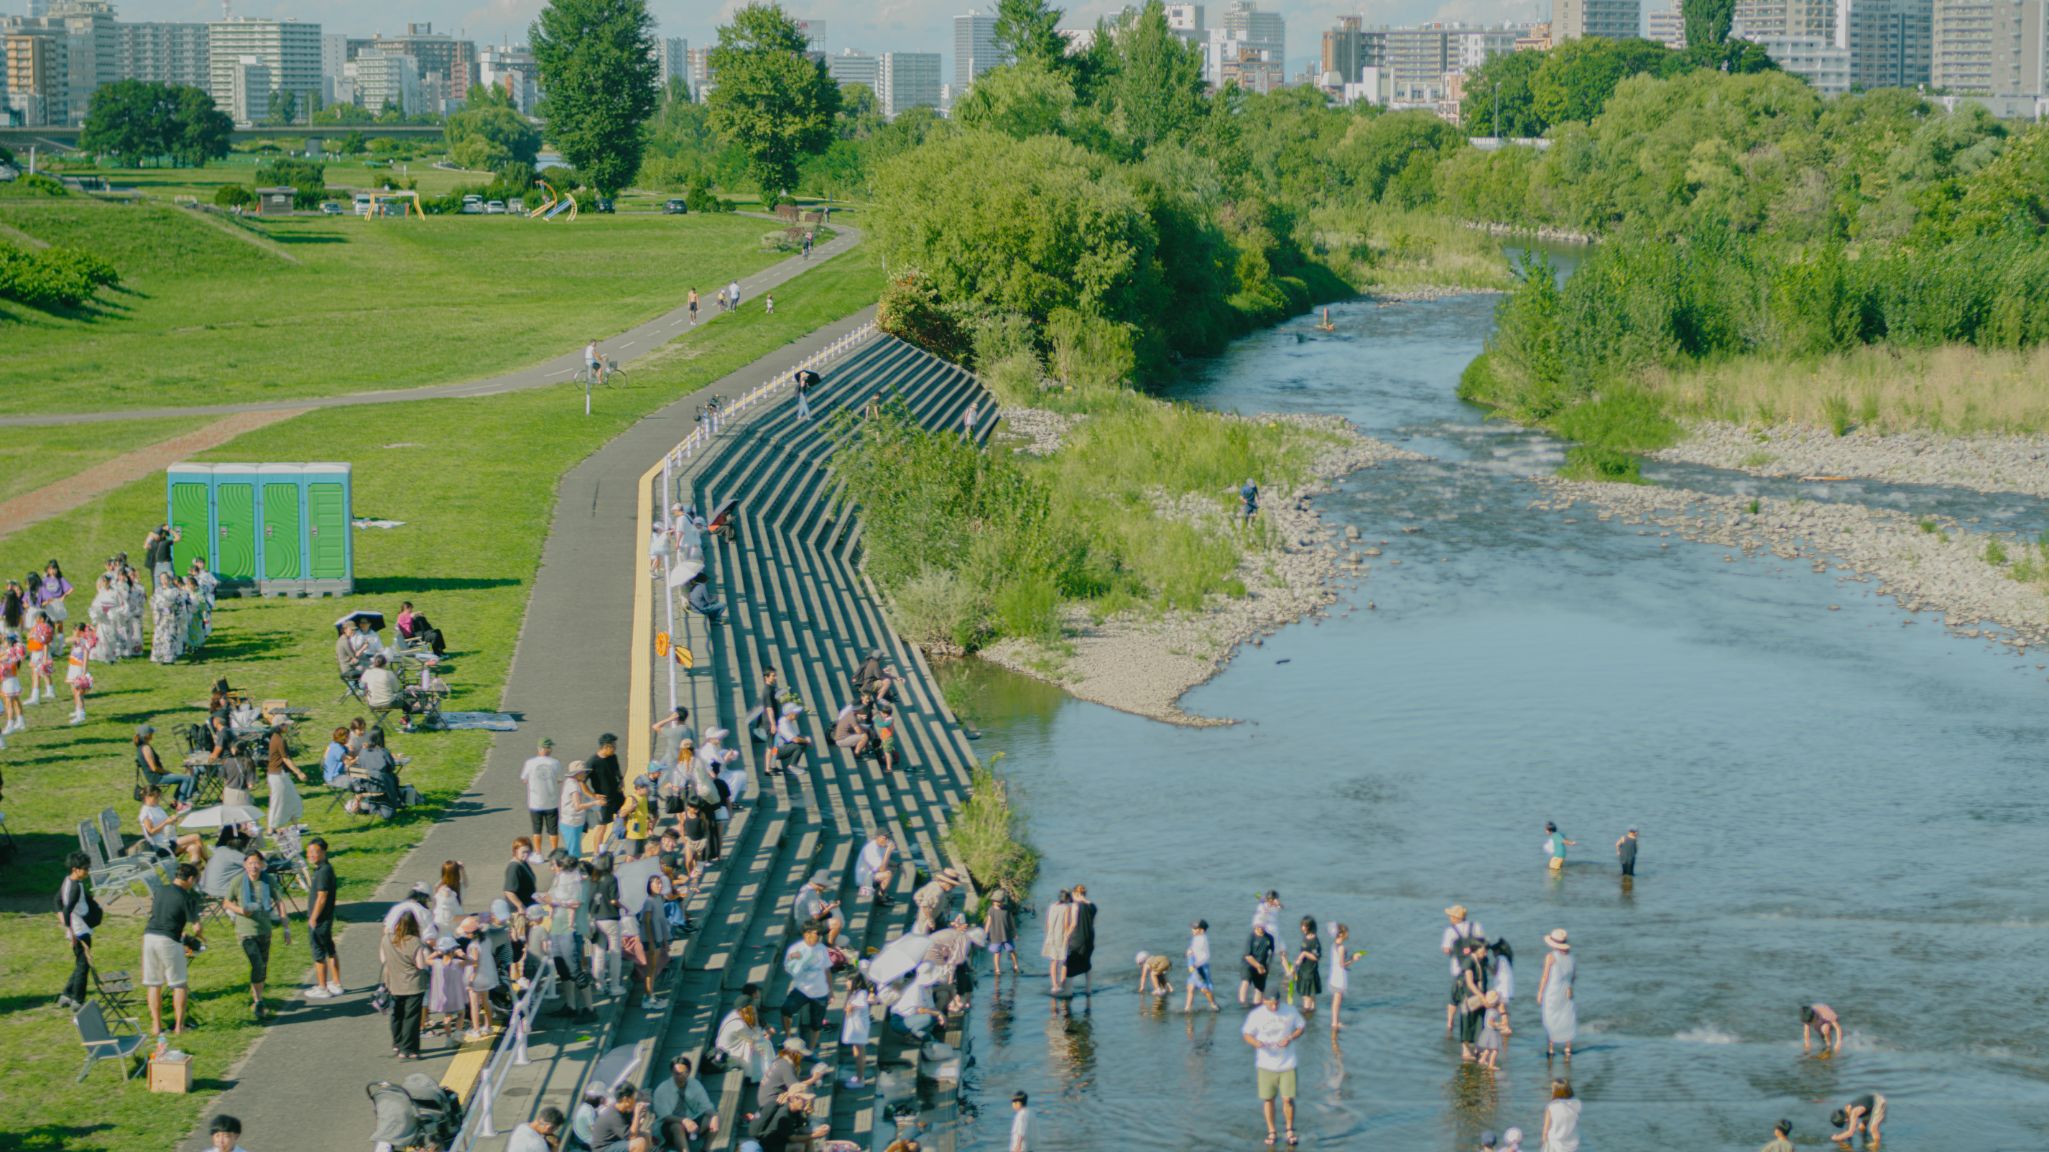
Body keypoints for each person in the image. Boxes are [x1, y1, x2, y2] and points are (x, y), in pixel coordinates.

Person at [1243, 987, 1307, 1147]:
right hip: (1265, 1064)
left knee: (1287, 1099)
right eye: (1271, 1004)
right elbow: (1246, 1033)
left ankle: (1289, 1130)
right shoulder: (1256, 1015)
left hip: (1288, 1063)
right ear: (1264, 1001)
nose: (1274, 1007)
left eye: (1277, 1003)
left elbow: (1301, 1026)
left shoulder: (1290, 1011)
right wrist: (1255, 1042)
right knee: (1268, 1099)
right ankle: (1272, 1131)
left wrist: (1290, 1037)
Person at [144, 862, 202, 1033]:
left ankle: (156, 1025)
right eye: (195, 880)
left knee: (154, 984)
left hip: (149, 938)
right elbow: (196, 927)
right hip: (168, 940)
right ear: (190, 879)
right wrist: (200, 937)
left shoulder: (160, 890)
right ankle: (179, 1026)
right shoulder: (186, 897)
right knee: (179, 984)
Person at [225, 849, 283, 1019]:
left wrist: (285, 927)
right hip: (245, 931)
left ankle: (258, 997)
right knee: (257, 964)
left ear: (262, 864)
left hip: (264, 930)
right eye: (250, 863)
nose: (253, 867)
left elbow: (279, 901)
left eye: (257, 863)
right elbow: (227, 902)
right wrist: (240, 910)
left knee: (262, 966)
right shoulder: (237, 881)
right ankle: (258, 1001)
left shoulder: (268, 881)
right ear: (245, 865)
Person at [382, 913, 428, 1059]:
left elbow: (383, 959)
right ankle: (408, 1049)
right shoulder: (414, 942)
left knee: (397, 1015)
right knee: (411, 1018)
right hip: (413, 984)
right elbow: (420, 964)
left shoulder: (387, 939)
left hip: (393, 983)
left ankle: (397, 1044)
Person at [782, 923, 833, 1050]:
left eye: (821, 934)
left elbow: (827, 970)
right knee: (786, 1010)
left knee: (817, 1024)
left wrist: (831, 990)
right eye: (817, 933)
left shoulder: (822, 949)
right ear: (807, 934)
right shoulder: (796, 949)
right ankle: (787, 1039)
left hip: (820, 991)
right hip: (802, 989)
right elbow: (788, 968)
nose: (820, 936)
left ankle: (811, 1049)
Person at [303, 836, 342, 998]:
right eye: (309, 852)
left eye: (315, 852)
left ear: (323, 852)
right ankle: (336, 983)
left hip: (320, 920)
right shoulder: (323, 869)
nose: (311, 855)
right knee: (330, 950)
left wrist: (313, 917)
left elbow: (322, 896)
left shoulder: (324, 871)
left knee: (318, 953)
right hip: (326, 918)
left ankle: (322, 987)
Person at [653, 1056, 719, 1151]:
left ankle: (706, 1149)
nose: (681, 1076)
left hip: (692, 1121)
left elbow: (706, 1105)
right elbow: (664, 1116)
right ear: (672, 1072)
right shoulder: (662, 1089)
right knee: (677, 1127)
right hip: (668, 1127)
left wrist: (715, 1116)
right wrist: (684, 1120)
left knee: (717, 1116)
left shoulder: (695, 1084)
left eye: (684, 1073)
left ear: (688, 1072)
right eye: (677, 1073)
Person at [57, 852, 96, 1010]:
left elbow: (58, 901)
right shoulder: (75, 888)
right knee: (84, 965)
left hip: (77, 928)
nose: (87, 871)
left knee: (80, 963)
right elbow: (66, 910)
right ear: (75, 869)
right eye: (85, 869)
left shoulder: (67, 881)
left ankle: (66, 995)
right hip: (80, 930)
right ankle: (77, 1000)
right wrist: (71, 933)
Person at [1442, 905, 1485, 1033]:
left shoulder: (1450, 931)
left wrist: (1455, 951)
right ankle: (1476, 1024)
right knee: (1475, 996)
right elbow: (1483, 945)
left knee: (1454, 1000)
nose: (1449, 918)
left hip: (1458, 970)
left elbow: (1446, 950)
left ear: (1456, 918)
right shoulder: (1476, 926)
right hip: (1476, 969)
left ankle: (1450, 1023)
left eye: (1450, 916)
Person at [138, 785, 206, 864]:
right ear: (147, 797)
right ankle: (209, 861)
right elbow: (151, 832)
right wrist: (166, 822)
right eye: (156, 797)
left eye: (159, 797)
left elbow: (165, 821)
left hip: (171, 839)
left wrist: (172, 820)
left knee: (194, 848)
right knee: (196, 837)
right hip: (162, 845)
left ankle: (195, 871)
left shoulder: (157, 807)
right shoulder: (145, 812)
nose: (158, 800)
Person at [1537, 930, 1576, 1059]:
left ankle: (1551, 1049)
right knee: (1567, 1019)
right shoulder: (1571, 957)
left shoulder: (1551, 957)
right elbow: (1574, 977)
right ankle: (1568, 1049)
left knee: (1551, 1020)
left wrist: (1540, 993)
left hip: (1552, 993)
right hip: (1566, 993)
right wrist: (1569, 987)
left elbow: (1544, 977)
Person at [523, 739, 564, 854]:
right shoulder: (555, 762)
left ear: (539, 748)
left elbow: (524, 779)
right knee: (553, 830)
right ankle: (554, 852)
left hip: (535, 802)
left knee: (537, 829)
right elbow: (560, 779)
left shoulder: (530, 763)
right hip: (551, 801)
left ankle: (538, 853)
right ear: (548, 749)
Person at [264, 720, 306, 831]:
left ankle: (296, 826)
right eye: (286, 724)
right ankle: (271, 830)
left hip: (280, 774)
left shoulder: (275, 737)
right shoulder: (279, 740)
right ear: (281, 726)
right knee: (277, 803)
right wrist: (299, 772)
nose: (289, 726)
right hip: (276, 775)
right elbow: (286, 759)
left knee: (292, 798)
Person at [591, 1083, 654, 1152]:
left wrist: (641, 1117)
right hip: (603, 1149)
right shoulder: (613, 1115)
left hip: (615, 1143)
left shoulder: (624, 1111)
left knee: (645, 1135)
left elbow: (633, 1131)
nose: (635, 1101)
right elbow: (632, 1137)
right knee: (639, 1143)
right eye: (634, 1098)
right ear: (626, 1099)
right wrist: (637, 1114)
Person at [840, 972, 874, 1088]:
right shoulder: (854, 993)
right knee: (858, 1051)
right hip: (856, 1026)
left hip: (859, 1027)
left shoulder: (862, 993)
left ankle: (860, 1080)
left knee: (858, 1053)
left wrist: (851, 1006)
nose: (846, 983)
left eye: (849, 980)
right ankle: (860, 1077)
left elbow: (863, 1004)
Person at [1065, 883, 1097, 995]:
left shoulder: (1075, 905)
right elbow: (1091, 923)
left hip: (1077, 938)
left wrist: (1066, 936)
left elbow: (1073, 924)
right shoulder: (1093, 905)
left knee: (1070, 963)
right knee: (1087, 962)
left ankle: (1068, 991)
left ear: (1076, 893)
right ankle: (1088, 989)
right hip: (1090, 937)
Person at [588, 733, 625, 830]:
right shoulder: (593, 762)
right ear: (606, 747)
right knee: (602, 827)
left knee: (625, 813)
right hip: (604, 799)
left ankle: (622, 836)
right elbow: (581, 781)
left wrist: (621, 780)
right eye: (613, 746)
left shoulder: (613, 757)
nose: (615, 748)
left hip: (617, 794)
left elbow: (617, 770)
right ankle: (598, 846)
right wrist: (593, 795)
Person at [985, 887, 1021, 983]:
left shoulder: (1007, 909)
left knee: (1011, 950)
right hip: (995, 935)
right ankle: (997, 969)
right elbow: (988, 922)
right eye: (996, 901)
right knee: (997, 952)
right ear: (993, 901)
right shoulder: (991, 910)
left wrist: (1015, 932)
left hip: (1007, 934)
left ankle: (1016, 965)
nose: (998, 903)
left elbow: (1012, 921)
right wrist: (985, 934)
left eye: (1000, 902)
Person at [856, 830, 897, 906]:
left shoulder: (880, 845)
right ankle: (881, 899)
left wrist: (898, 865)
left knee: (893, 867)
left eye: (888, 838)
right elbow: (882, 869)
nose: (887, 840)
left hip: (872, 873)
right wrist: (888, 851)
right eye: (885, 838)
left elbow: (884, 861)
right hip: (864, 879)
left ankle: (884, 893)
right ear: (877, 837)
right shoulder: (871, 849)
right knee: (888, 874)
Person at [1328, 923, 1356, 1031]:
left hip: (1334, 975)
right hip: (1339, 977)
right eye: (1346, 933)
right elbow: (1342, 964)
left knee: (1336, 1000)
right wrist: (1353, 959)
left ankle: (1335, 1021)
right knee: (1337, 1001)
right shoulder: (1341, 947)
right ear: (1341, 934)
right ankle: (1335, 1023)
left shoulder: (1334, 945)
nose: (1347, 935)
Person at [1241, 922, 1277, 1006]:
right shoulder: (1251, 937)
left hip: (1262, 965)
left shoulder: (1269, 938)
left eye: (1263, 927)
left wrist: (1268, 966)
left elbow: (1272, 953)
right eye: (1259, 926)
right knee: (1245, 982)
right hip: (1248, 964)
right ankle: (1242, 1004)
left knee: (1259, 988)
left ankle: (1256, 1005)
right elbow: (1247, 956)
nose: (1261, 928)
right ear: (1256, 926)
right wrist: (1258, 966)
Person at [1541, 1080, 1580, 1152]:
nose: (1551, 1092)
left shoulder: (1551, 1107)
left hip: (1554, 1143)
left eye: (1552, 1090)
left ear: (1557, 1092)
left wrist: (1544, 1143)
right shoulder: (1576, 1105)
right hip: (1572, 1142)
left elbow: (1545, 1131)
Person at [1294, 916, 1322, 1013]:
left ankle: (1306, 1016)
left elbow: (1316, 957)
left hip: (1310, 972)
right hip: (1303, 970)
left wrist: (1304, 954)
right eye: (1302, 925)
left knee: (1307, 996)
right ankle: (1312, 1016)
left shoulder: (1314, 940)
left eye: (1305, 926)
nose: (1303, 928)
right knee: (1309, 996)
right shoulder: (1306, 937)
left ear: (1311, 927)